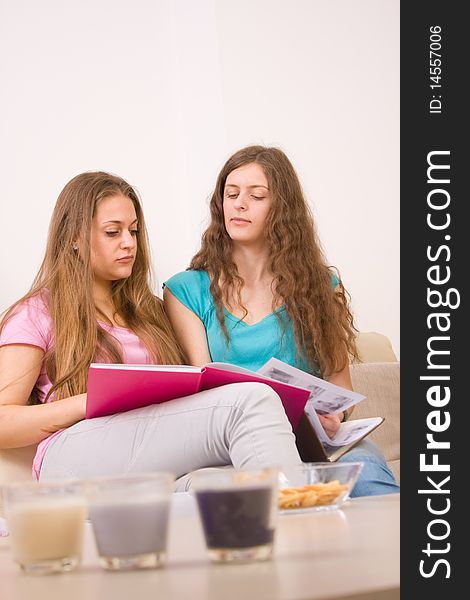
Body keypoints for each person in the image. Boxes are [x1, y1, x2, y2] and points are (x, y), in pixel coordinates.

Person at [0, 171, 302, 486]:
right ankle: (301, 525)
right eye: (112, 232)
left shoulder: (150, 312)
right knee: (251, 400)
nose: (129, 243)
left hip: (143, 465)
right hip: (72, 455)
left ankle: (284, 523)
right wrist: (87, 402)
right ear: (74, 237)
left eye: (133, 231)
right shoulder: (35, 313)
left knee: (226, 483)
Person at [163, 145, 399, 497]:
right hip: (238, 444)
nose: (239, 204)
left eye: (256, 195)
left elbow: (341, 388)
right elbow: (203, 391)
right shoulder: (187, 290)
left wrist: (336, 420)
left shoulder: (322, 286)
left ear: (281, 210)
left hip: (312, 441)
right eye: (231, 194)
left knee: (370, 482)